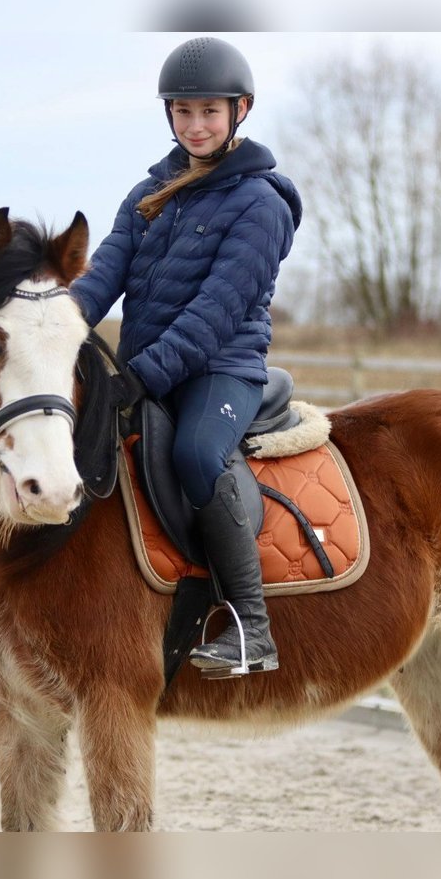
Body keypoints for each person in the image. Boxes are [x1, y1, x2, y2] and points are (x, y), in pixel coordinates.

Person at [69, 37, 302, 675]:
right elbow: (107, 268)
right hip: (146, 366)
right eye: (183, 112)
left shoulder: (262, 204)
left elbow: (214, 314)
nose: (195, 125)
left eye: (209, 111)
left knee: (198, 455)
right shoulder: (153, 189)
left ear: (240, 110)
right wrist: (57, 323)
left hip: (218, 371)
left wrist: (139, 376)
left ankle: (253, 630)